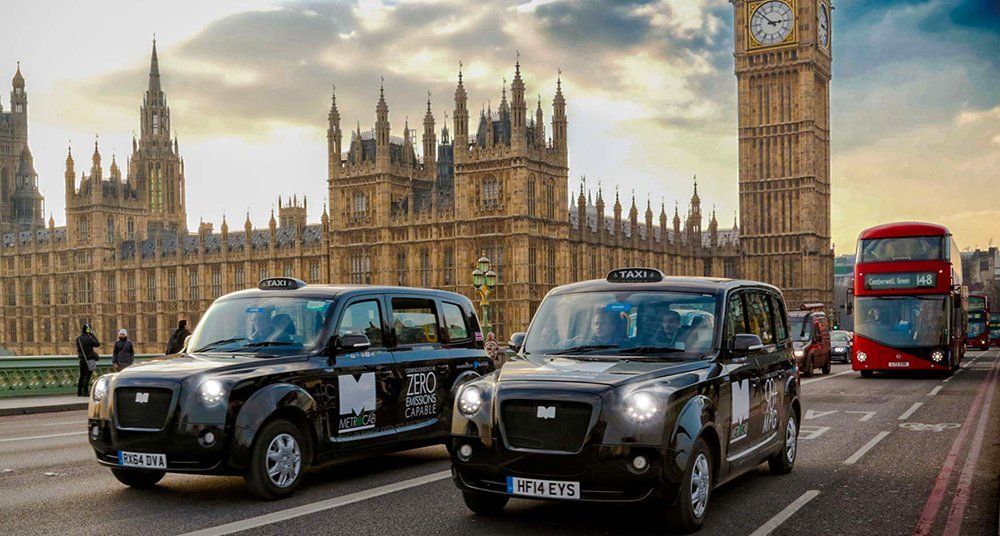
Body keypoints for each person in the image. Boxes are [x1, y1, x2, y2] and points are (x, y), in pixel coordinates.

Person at [75, 324, 101, 397]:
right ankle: (85, 391)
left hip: (82, 359)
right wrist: (92, 335)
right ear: (88, 330)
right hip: (89, 359)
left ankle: (79, 392)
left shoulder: (78, 339)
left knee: (82, 375)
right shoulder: (89, 338)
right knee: (87, 376)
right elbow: (97, 344)